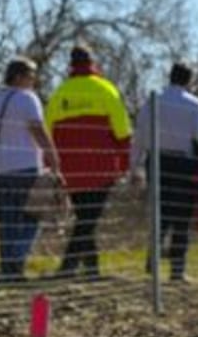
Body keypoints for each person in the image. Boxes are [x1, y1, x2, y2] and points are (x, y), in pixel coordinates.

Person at [44, 44, 132, 280]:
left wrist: (50, 165)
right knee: (88, 218)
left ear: (71, 66)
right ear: (93, 63)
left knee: (85, 216)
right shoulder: (105, 89)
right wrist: (125, 162)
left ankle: (92, 269)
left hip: (70, 169)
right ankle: (68, 267)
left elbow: (48, 132)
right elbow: (123, 132)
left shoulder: (59, 93)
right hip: (101, 167)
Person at [0, 56, 63, 280]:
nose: (34, 81)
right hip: (25, 166)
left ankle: (8, 268)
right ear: (19, 76)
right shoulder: (27, 99)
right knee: (33, 216)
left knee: (8, 219)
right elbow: (38, 132)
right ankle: (17, 259)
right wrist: (54, 161)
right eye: (31, 76)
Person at [132, 61, 198, 282]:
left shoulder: (153, 99)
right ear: (189, 80)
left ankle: (153, 259)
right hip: (183, 164)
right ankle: (177, 270)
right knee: (182, 217)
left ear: (170, 76)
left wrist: (135, 164)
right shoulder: (194, 104)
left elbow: (139, 133)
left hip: (156, 161)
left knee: (160, 212)